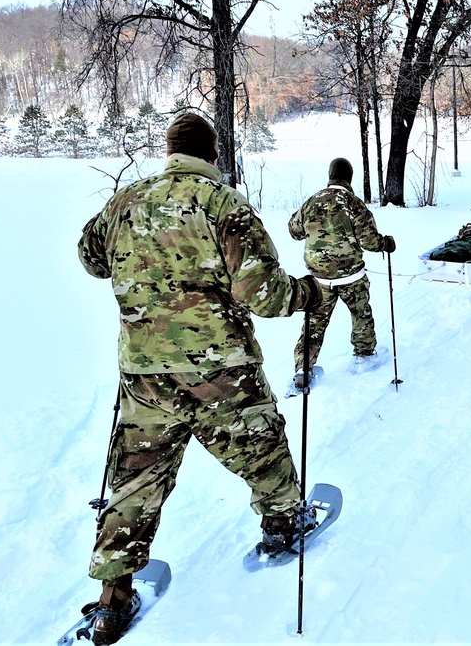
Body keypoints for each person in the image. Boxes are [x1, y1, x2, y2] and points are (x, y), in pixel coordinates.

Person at [77, 112, 323, 644]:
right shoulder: (224, 205)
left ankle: (113, 597)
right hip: (220, 368)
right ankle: (282, 523)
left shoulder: (126, 202)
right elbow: (265, 293)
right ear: (213, 155)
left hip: (145, 372)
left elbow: (89, 256)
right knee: (260, 446)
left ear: (170, 151)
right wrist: (309, 294)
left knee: (136, 478)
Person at [288, 158, 395, 386]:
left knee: (314, 322)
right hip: (351, 276)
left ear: (330, 175)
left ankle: (303, 369)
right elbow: (369, 240)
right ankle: (364, 356)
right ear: (349, 178)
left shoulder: (311, 201)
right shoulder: (353, 203)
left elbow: (294, 230)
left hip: (319, 279)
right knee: (360, 313)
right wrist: (386, 243)